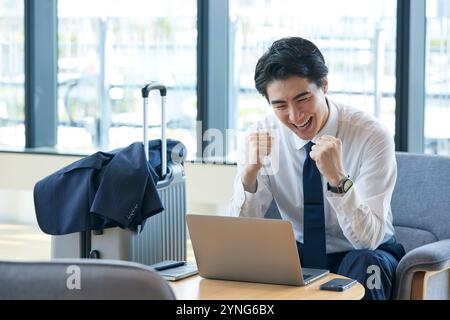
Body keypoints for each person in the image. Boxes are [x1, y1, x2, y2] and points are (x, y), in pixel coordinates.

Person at [228, 37, 405, 300]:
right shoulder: (262, 136)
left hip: (364, 253)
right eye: (280, 105)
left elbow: (368, 240)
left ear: (324, 85)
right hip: (299, 255)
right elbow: (240, 236)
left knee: (368, 266)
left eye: (303, 99)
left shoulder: (371, 136)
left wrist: (337, 178)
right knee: (242, 269)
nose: (295, 115)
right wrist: (249, 175)